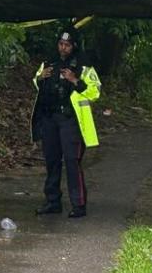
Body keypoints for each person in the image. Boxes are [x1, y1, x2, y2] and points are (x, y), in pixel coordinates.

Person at [30, 27, 101, 218]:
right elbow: (35, 81)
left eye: (67, 45)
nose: (63, 48)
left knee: (72, 161)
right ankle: (53, 201)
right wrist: (40, 77)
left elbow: (95, 92)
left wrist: (75, 80)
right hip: (50, 118)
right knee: (52, 161)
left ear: (74, 46)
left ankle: (78, 204)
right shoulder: (49, 62)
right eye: (61, 44)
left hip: (71, 120)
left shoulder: (84, 65)